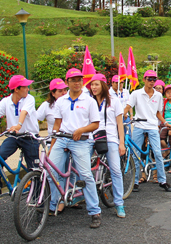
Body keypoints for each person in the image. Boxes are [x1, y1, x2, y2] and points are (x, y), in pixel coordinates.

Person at [50, 68, 102, 227]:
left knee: (85, 175)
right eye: (73, 80)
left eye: (79, 80)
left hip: (82, 141)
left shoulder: (89, 101)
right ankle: (53, 204)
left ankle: (94, 211)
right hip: (62, 139)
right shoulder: (61, 101)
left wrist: (80, 130)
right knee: (51, 171)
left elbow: (95, 124)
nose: (77, 83)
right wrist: (52, 143)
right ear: (67, 82)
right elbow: (57, 124)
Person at [125, 70, 171, 192]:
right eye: (149, 79)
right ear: (144, 79)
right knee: (135, 153)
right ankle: (135, 181)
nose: (152, 81)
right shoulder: (136, 93)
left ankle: (162, 180)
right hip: (139, 124)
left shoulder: (158, 95)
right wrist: (120, 118)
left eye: (154, 79)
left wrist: (165, 122)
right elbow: (128, 107)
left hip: (152, 126)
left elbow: (157, 113)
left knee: (157, 152)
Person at [90, 74, 126, 218]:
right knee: (82, 168)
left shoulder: (114, 101)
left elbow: (119, 124)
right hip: (91, 138)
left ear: (103, 85)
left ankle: (119, 203)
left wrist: (121, 143)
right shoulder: (88, 101)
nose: (93, 87)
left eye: (96, 84)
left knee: (116, 170)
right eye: (92, 84)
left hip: (110, 138)